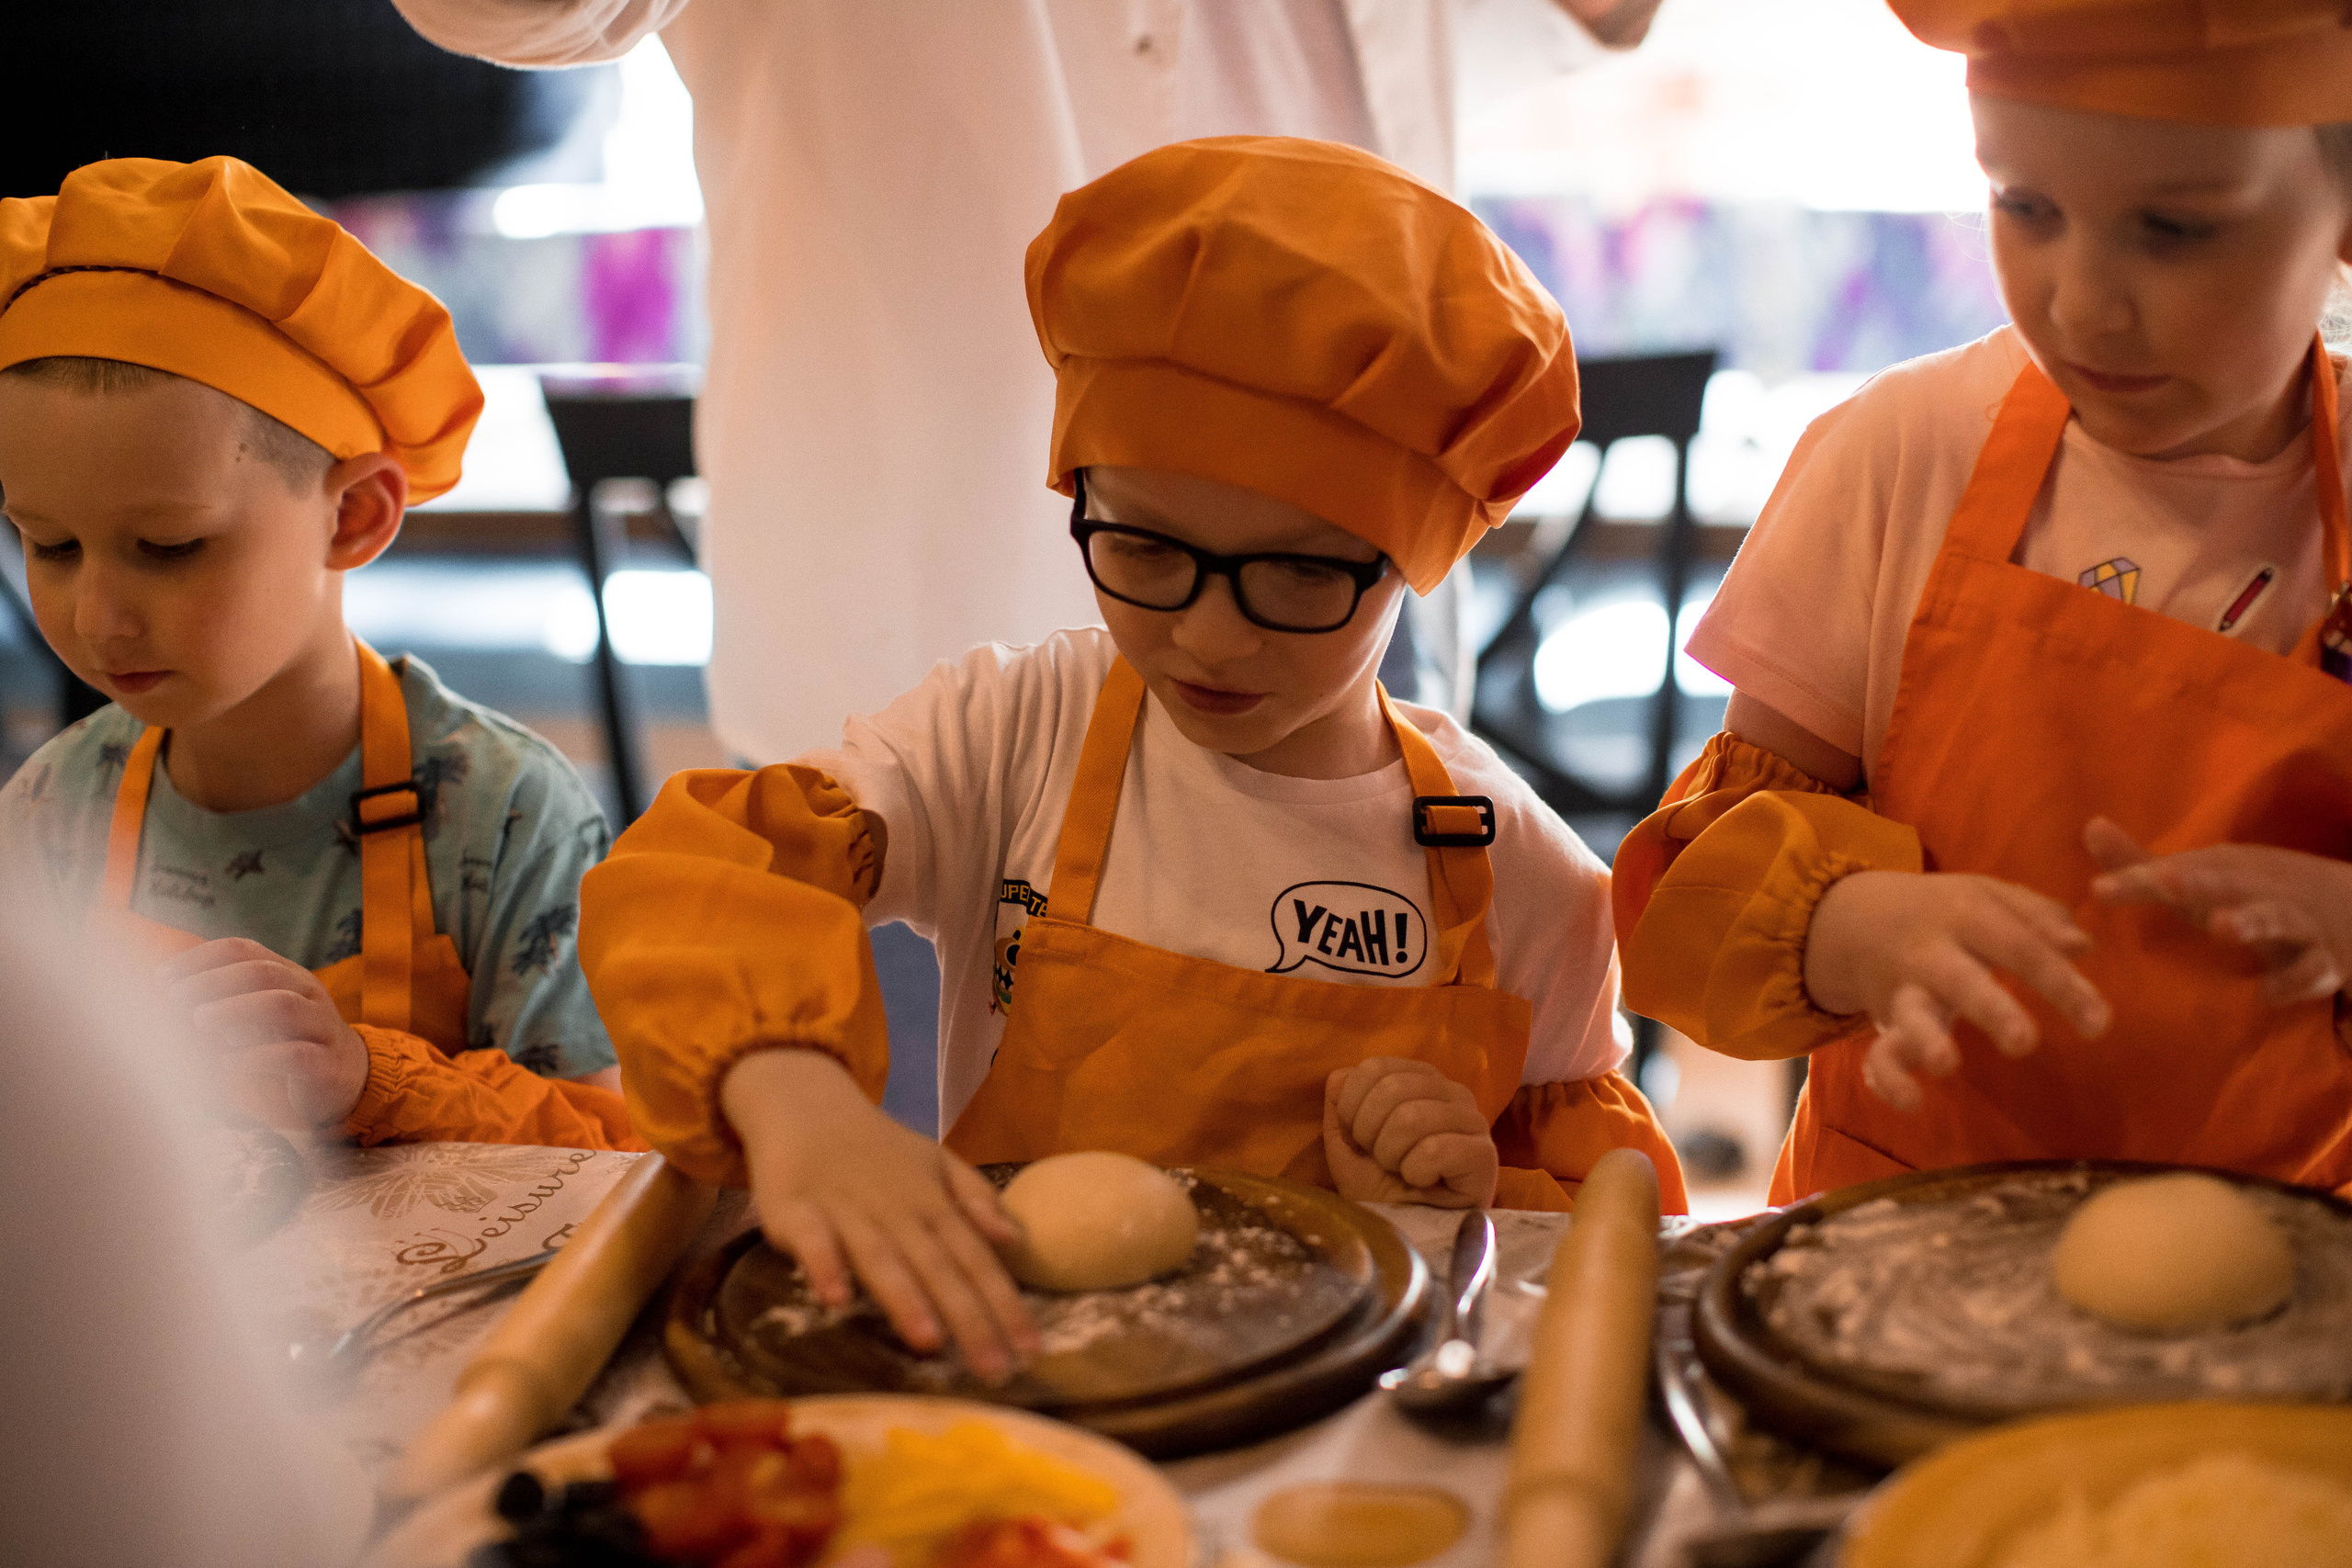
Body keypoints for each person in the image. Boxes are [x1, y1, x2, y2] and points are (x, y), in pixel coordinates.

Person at [580, 137, 1687, 1379]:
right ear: (1080, 490)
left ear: (1416, 561)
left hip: (1339, 1433)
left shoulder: (1515, 868)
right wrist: (797, 1101)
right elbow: (705, 867)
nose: (1209, 632)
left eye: (1302, 572)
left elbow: (1604, 1257)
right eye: (1146, 548)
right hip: (1019, 1385)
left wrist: (1460, 1199)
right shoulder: (1006, 737)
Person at [390, 0, 1665, 761]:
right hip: (910, 687)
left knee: (1351, 1188)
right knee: (897, 1190)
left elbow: (1540, 28)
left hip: (1345, 644)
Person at [1612, 0, 2352, 1203]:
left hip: (2293, 1280)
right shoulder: (1903, 453)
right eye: (2026, 208)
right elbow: (1694, 895)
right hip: (1889, 1245)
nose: (2083, 302)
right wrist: (1855, 929)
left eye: (2174, 227)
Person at [0, 155, 644, 1151]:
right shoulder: (47, 816)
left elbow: (615, 1157)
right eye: (49, 545)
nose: (99, 618)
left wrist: (370, 1079)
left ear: (354, 514)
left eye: (169, 549)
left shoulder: (508, 818)